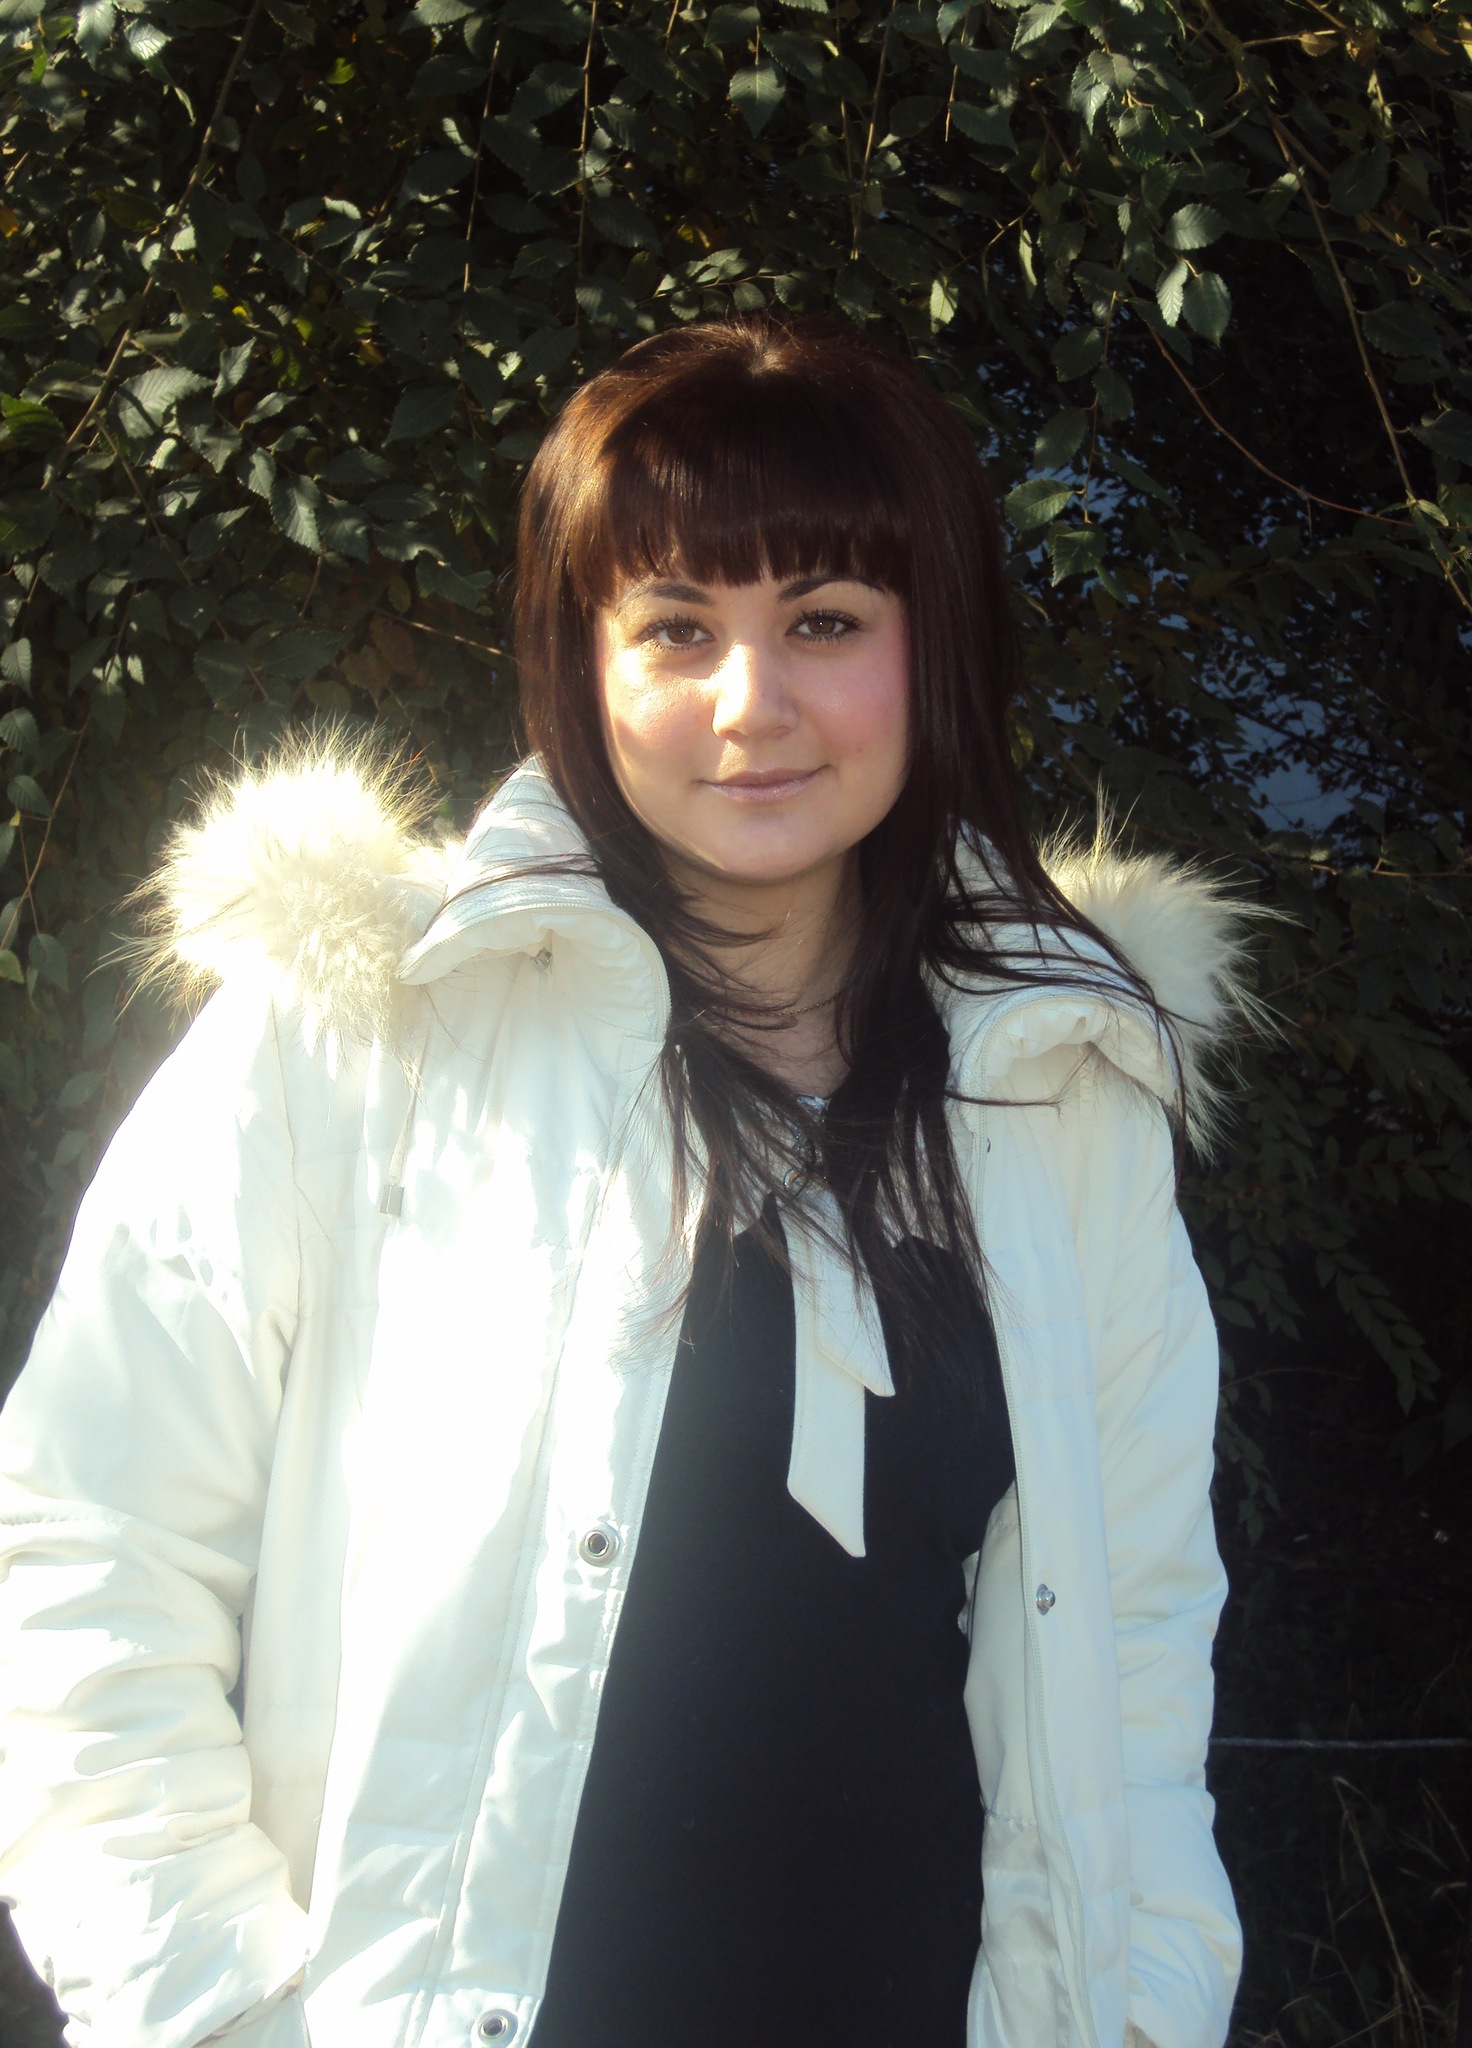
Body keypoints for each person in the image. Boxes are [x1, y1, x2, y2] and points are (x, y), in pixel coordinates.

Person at [0, 317, 1246, 2048]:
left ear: (934, 647)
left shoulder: (1061, 1088)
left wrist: (1144, 2011)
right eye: (676, 628)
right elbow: (81, 1561)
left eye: (825, 621)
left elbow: (1138, 1638)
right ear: (580, 660)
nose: (752, 705)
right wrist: (212, 2014)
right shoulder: (364, 1030)